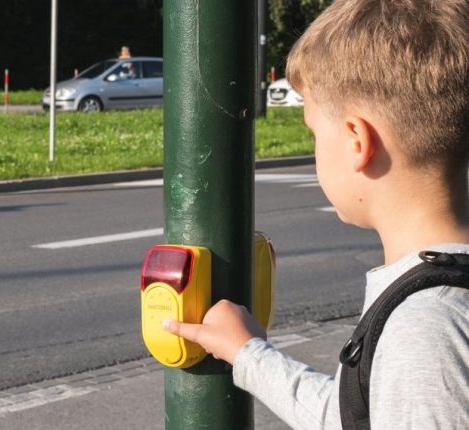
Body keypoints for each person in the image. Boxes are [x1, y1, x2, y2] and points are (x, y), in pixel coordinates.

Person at [162, 0, 469, 428]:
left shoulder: (423, 332)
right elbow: (358, 414)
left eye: (313, 131)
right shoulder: (434, 302)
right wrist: (250, 355)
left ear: (357, 141)